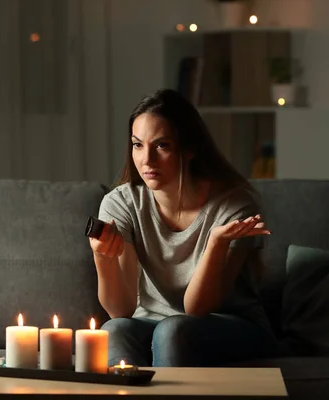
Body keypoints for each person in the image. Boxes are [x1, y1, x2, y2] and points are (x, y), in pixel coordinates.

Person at [88, 89, 276, 367]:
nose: (146, 159)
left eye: (161, 146)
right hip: (151, 324)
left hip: (230, 326)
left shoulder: (233, 206)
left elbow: (197, 309)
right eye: (138, 145)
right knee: (113, 330)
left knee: (173, 330)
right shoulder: (121, 204)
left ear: (189, 149)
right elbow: (122, 310)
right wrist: (103, 259)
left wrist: (215, 244)